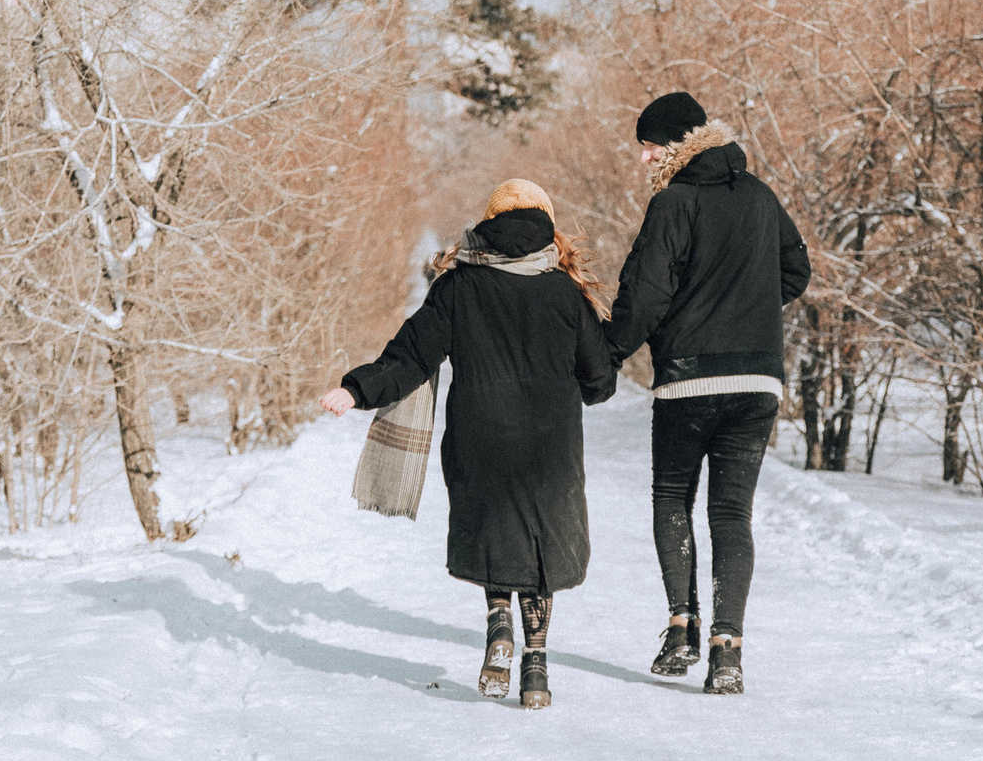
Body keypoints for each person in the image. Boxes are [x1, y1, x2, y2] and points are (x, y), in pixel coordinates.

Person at [320, 180, 616, 709]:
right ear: (547, 224)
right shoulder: (565, 292)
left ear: (489, 224)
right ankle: (536, 670)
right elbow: (600, 384)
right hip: (550, 448)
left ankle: (498, 623)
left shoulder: (458, 287)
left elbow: (410, 354)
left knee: (495, 536)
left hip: (481, 439)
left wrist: (356, 388)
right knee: (542, 546)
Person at [603, 91, 811, 695]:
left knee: (672, 496)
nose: (643, 160)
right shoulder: (762, 197)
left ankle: (681, 629)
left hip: (689, 378)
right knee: (731, 513)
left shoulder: (674, 204)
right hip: (756, 381)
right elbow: (795, 272)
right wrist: (745, 312)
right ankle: (728, 649)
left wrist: (607, 354)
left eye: (648, 147)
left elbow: (644, 292)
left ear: (674, 145)